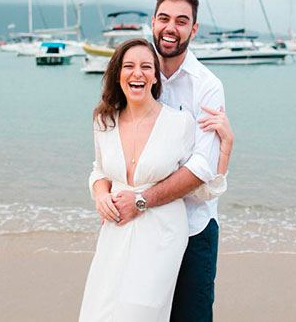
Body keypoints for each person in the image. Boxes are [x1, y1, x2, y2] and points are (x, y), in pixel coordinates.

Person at [79, 38, 229, 322]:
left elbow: (202, 186)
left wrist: (226, 149)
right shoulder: (103, 120)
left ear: (155, 77)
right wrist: (100, 195)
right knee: (101, 312)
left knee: (141, 312)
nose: (138, 73)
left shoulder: (178, 123)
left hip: (162, 236)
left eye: (146, 66)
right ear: (118, 74)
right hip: (115, 232)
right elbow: (99, 170)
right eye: (129, 66)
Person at [110, 0, 233, 322]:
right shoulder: (136, 76)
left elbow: (201, 167)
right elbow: (115, 146)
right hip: (142, 228)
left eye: (182, 21)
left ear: (194, 30)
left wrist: (140, 200)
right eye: (164, 18)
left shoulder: (206, 86)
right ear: (152, 22)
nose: (170, 27)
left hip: (193, 229)